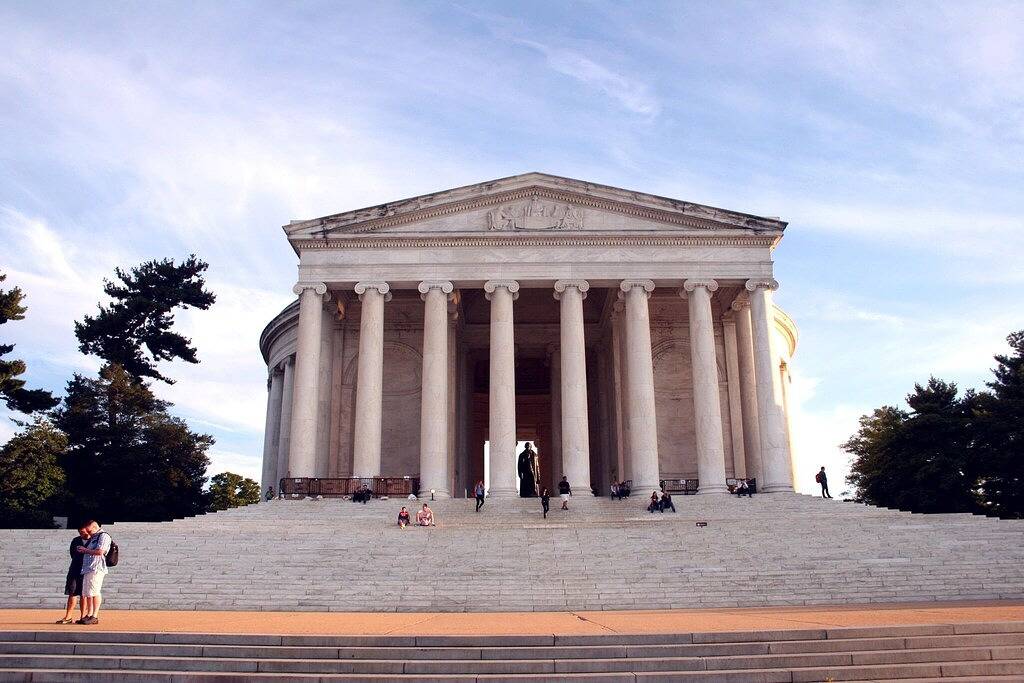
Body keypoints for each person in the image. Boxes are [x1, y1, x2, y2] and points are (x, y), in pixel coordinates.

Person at [76, 520, 111, 625]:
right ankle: (89, 614)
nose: (88, 533)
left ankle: (94, 615)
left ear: (95, 527)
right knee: (88, 593)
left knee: (95, 592)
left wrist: (85, 550)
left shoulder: (104, 536)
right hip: (88, 568)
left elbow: (100, 551)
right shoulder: (94, 537)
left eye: (90, 531)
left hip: (96, 567)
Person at [56, 525, 90, 624]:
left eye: (83, 532)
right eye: (80, 532)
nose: (81, 534)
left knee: (84, 594)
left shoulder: (93, 540)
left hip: (87, 569)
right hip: (75, 569)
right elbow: (72, 554)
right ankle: (68, 616)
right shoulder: (76, 540)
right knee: (72, 592)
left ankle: (83, 616)